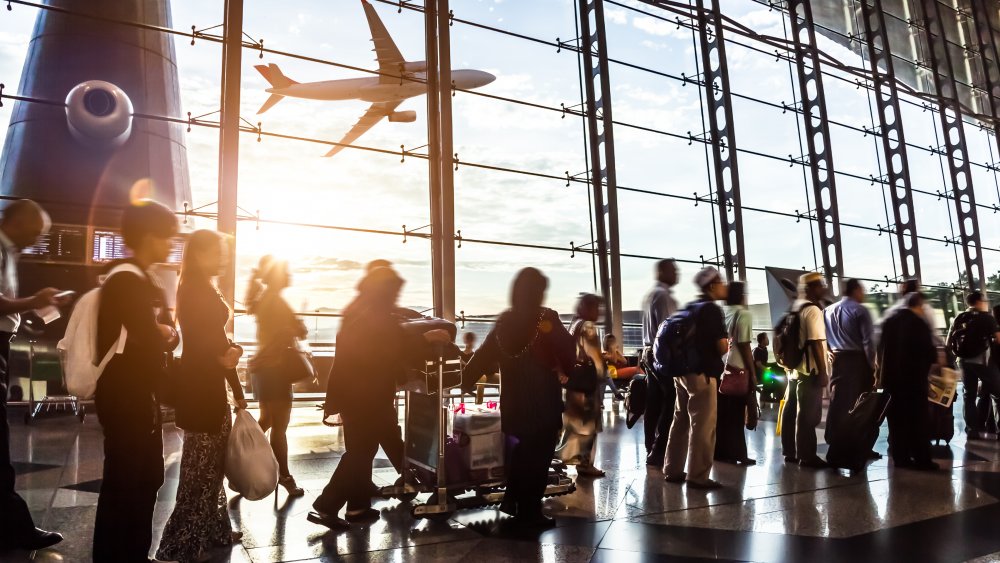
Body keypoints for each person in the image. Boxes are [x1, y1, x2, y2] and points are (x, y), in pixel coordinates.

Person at [311, 266, 450, 529]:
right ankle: (326, 506)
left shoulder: (363, 310)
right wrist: (426, 337)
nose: (396, 296)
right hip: (367, 395)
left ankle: (357, 507)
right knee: (360, 453)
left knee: (363, 450)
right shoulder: (373, 315)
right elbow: (388, 346)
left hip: (357, 394)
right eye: (394, 291)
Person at [93, 200, 180, 562]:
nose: (169, 245)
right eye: (165, 237)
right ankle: (116, 556)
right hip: (124, 396)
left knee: (145, 479)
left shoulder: (139, 277)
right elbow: (151, 334)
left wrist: (166, 334)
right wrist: (165, 334)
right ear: (148, 236)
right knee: (127, 481)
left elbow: (163, 332)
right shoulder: (127, 278)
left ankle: (134, 553)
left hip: (136, 394)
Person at [156, 230, 247, 562]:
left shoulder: (203, 287)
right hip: (200, 388)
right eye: (217, 252)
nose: (223, 258)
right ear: (199, 255)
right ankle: (177, 544)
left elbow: (218, 341)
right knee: (200, 468)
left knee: (210, 464)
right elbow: (207, 342)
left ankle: (214, 530)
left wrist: (235, 382)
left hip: (206, 385)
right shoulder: (196, 290)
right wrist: (229, 358)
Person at [462, 268, 575, 528]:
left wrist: (467, 380)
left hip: (513, 404)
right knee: (538, 459)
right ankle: (530, 512)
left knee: (520, 454)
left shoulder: (505, 322)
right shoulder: (546, 318)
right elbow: (568, 350)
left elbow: (481, 356)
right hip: (542, 403)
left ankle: (513, 501)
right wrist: (567, 370)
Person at [0, 200, 70, 552]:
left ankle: (13, 525)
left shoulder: (9, 252)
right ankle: (15, 529)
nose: (38, 237)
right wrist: (33, 300)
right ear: (19, 221)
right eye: (36, 229)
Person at [663, 267, 728, 489]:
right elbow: (721, 346)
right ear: (711, 286)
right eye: (721, 282)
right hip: (702, 373)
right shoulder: (710, 310)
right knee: (703, 425)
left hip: (681, 372)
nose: (724, 286)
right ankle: (698, 476)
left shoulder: (690, 307)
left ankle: (672, 469)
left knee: (680, 420)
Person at [245, 256, 305, 496]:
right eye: (286, 270)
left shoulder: (265, 299)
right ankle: (285, 477)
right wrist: (294, 328)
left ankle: (242, 466)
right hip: (276, 370)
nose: (289, 274)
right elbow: (294, 331)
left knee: (267, 420)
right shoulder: (277, 302)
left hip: (264, 369)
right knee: (279, 427)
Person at [824, 279, 878, 466]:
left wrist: (829, 352)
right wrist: (873, 366)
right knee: (860, 406)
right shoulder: (860, 310)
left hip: (838, 361)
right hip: (857, 361)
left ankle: (836, 446)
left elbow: (824, 338)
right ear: (855, 290)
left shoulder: (828, 310)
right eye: (862, 290)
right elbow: (868, 342)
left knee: (838, 403)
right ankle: (856, 448)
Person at [779, 272, 830, 469]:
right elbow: (816, 342)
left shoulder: (794, 308)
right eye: (820, 285)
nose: (823, 288)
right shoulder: (812, 310)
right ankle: (807, 456)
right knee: (809, 415)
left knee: (791, 411)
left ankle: (790, 451)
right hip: (810, 371)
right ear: (810, 288)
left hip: (793, 370)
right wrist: (823, 371)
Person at [881, 292, 938, 470]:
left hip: (891, 381)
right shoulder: (919, 323)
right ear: (919, 305)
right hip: (913, 380)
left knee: (897, 422)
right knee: (918, 421)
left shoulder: (890, 321)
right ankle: (922, 459)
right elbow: (929, 354)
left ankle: (900, 458)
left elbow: (880, 349)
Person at [557, 293, 607, 478]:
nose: (599, 312)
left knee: (573, 426)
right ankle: (585, 465)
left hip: (574, 382)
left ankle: (565, 460)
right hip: (586, 383)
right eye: (596, 308)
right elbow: (595, 357)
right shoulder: (588, 326)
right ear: (586, 308)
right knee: (588, 426)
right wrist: (602, 372)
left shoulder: (574, 324)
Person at [641, 259, 679, 467]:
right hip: (661, 353)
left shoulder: (651, 295)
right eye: (673, 270)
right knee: (671, 401)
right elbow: (668, 330)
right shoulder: (663, 296)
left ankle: (650, 447)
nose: (677, 274)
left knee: (653, 403)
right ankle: (660, 449)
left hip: (648, 352)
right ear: (663, 272)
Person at [947, 291, 1000, 440]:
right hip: (982, 362)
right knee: (998, 394)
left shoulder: (959, 317)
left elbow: (949, 342)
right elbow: (998, 339)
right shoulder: (987, 318)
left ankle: (972, 430)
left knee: (968, 395)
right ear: (979, 302)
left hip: (963, 362)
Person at [715, 281, 757, 466]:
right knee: (738, 412)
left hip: (722, 368)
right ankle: (739, 453)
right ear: (742, 295)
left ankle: (721, 452)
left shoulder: (723, 312)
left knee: (723, 414)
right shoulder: (743, 313)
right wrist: (752, 372)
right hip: (738, 368)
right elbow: (744, 344)